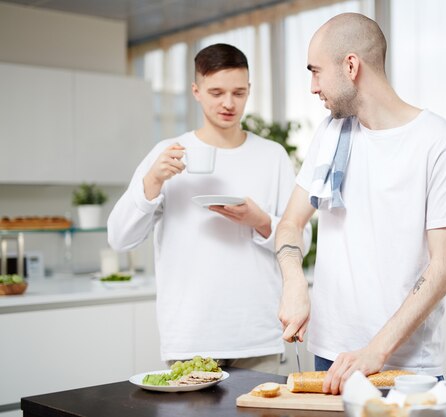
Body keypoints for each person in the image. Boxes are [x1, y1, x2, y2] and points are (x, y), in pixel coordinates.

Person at [275, 13, 446, 394]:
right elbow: (290, 224)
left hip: (403, 366)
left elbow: (444, 267)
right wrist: (294, 281)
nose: (312, 87)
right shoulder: (331, 133)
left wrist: (374, 352)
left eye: (316, 71)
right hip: (328, 355)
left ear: (351, 65)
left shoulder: (440, 142)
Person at [108, 43, 311, 374]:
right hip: (190, 336)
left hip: (257, 335)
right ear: (196, 91)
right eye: (216, 92)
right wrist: (152, 183)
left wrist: (260, 221)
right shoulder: (168, 154)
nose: (229, 103)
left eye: (238, 92)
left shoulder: (272, 156)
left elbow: (301, 238)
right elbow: (119, 238)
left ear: (249, 91)